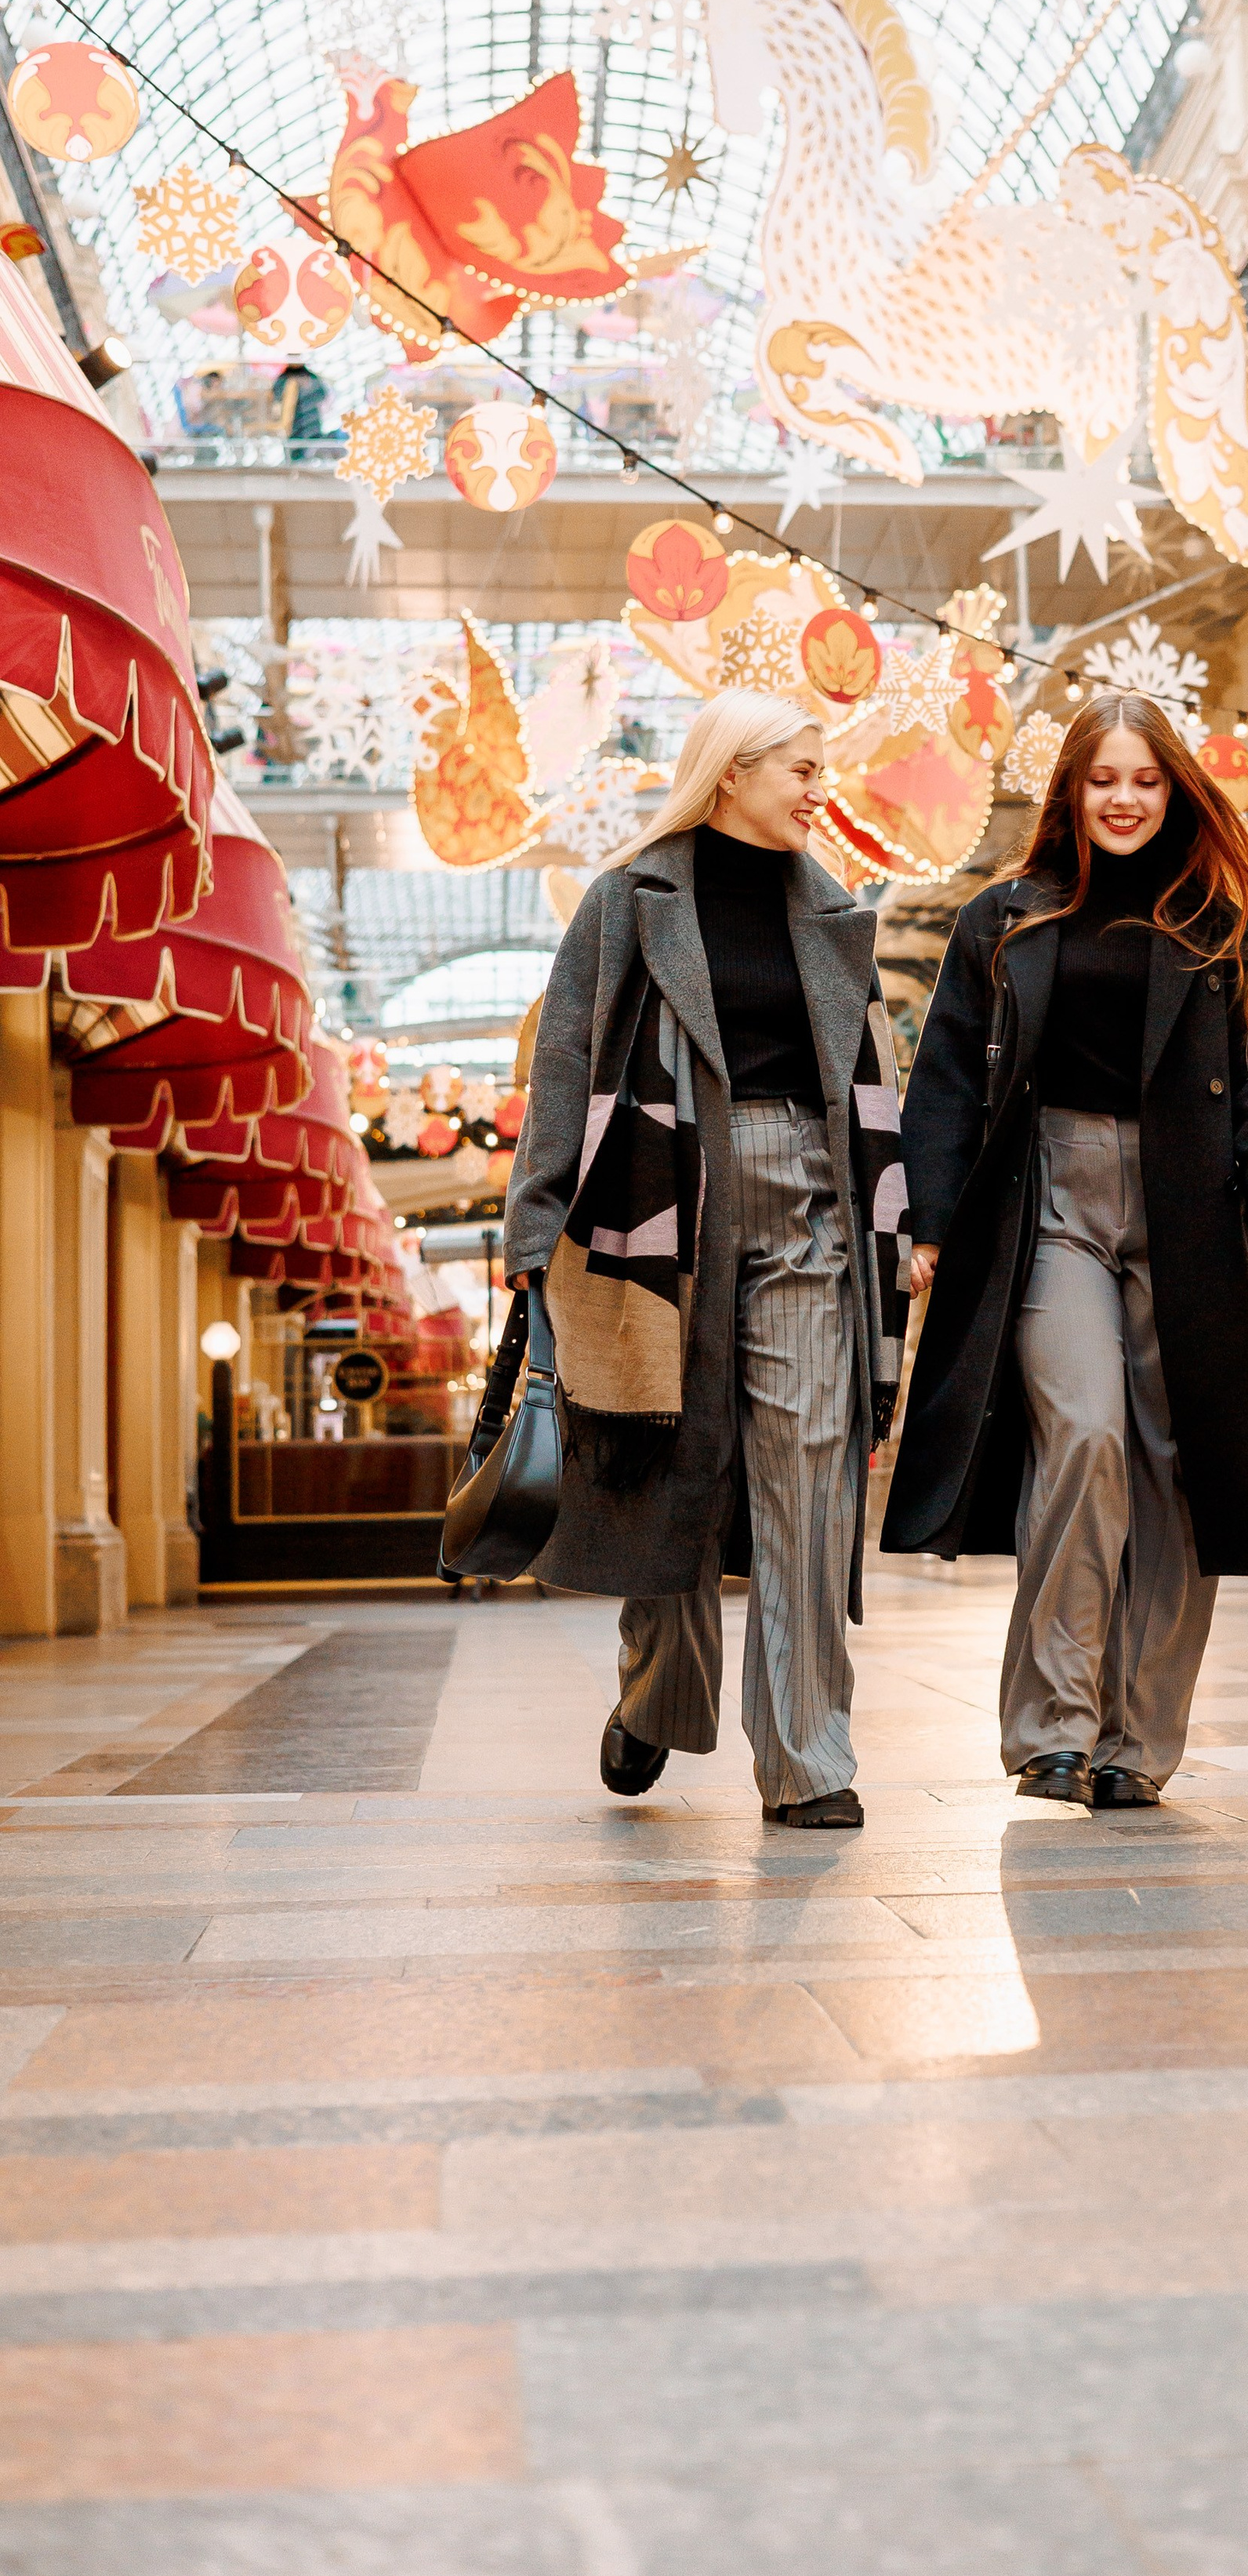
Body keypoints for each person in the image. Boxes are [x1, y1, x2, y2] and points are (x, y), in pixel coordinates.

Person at [883, 691, 1248, 1808]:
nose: (1125, 800)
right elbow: (944, 1076)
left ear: (1174, 791)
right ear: (1070, 792)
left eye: (1145, 780)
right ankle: (1053, 1728)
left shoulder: (1217, 923)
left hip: (1191, 1206)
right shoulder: (1001, 918)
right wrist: (929, 1219)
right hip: (1048, 1199)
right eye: (1104, 780)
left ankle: (1139, 1741)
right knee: (1082, 1434)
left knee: (1174, 1465)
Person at [502, 688, 910, 1828]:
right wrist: (535, 1227)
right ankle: (657, 1695)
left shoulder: (834, 909)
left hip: (811, 1197)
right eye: (803, 769)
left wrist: (899, 1214)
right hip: (659, 1201)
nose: (822, 790)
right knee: (669, 1458)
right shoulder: (627, 900)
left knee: (808, 1470)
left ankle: (809, 1760)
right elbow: (565, 1063)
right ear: (731, 771)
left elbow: (875, 1079)